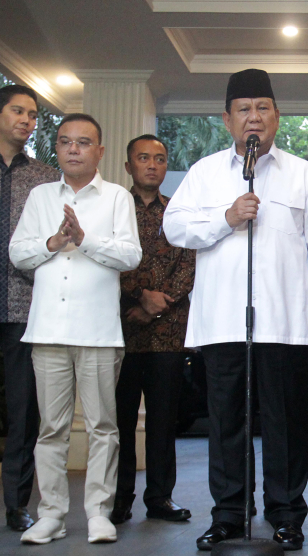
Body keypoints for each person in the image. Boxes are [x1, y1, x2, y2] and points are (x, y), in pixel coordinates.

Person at [163, 68, 308, 552]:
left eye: (262, 108)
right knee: (226, 421)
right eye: (244, 109)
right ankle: (228, 514)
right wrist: (226, 217)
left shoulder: (301, 172)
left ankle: (286, 515)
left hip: (284, 321)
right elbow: (174, 227)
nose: (254, 118)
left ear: (277, 117)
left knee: (285, 421)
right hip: (222, 320)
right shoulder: (204, 173)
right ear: (227, 120)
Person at [10, 113, 142, 544]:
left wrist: (84, 238)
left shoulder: (118, 198)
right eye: (65, 142)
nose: (72, 149)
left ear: (99, 151)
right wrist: (53, 242)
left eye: (83, 142)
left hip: (99, 332)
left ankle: (99, 513)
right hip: (46, 329)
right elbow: (17, 253)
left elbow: (130, 257)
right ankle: (50, 513)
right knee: (51, 428)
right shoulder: (40, 196)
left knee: (104, 425)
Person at [112, 134, 195, 525]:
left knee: (164, 420)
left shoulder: (179, 211)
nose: (152, 165)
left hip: (168, 331)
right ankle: (118, 498)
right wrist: (138, 296)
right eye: (143, 158)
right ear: (128, 166)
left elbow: (190, 261)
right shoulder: (112, 208)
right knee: (119, 420)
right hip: (118, 329)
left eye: (159, 159)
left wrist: (157, 306)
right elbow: (103, 258)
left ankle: (160, 498)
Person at [0, 84, 60, 532]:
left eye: (33, 114)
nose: (27, 120)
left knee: (24, 413)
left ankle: (17, 504)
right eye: (18, 111)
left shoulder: (44, 177)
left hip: (24, 307)